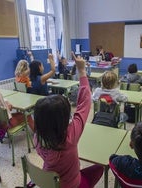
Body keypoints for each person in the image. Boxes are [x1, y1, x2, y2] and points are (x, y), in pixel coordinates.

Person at [33, 54, 103, 188]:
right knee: (99, 168)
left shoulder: (37, 137)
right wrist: (82, 71)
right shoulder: (70, 137)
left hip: (49, 182)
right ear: (63, 119)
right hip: (72, 184)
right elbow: (84, 103)